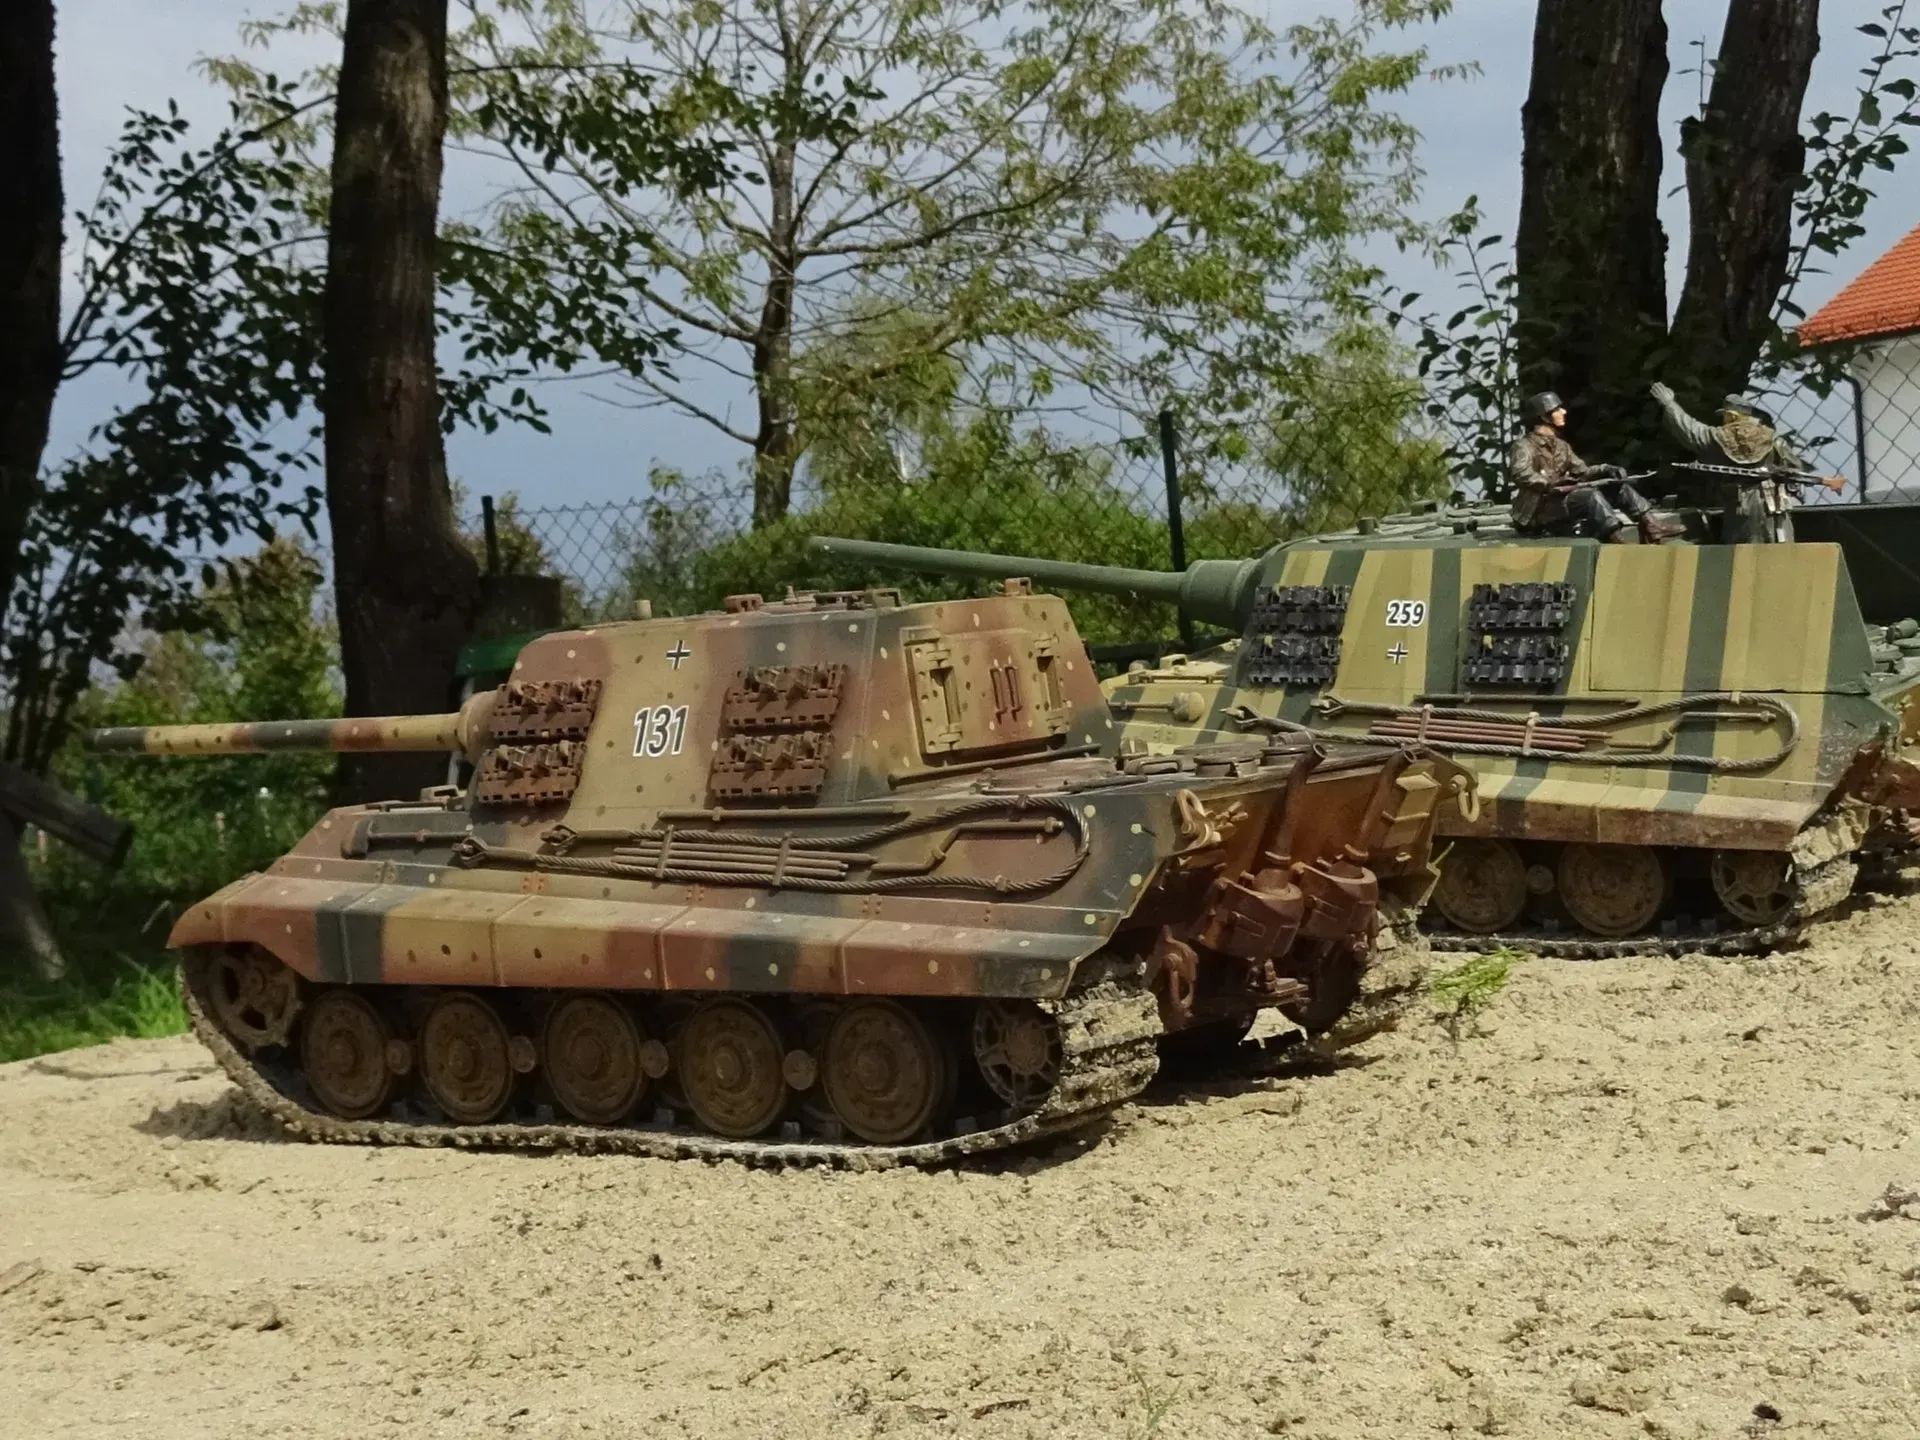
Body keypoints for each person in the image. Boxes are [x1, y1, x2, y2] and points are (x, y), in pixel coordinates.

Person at [1649, 384, 1846, 543]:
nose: (1723, 420)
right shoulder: (1773, 440)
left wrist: (1669, 404)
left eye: (1725, 415)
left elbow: (1689, 429)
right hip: (1775, 507)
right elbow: (1794, 469)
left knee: (1742, 558)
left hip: (1740, 509)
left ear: (1731, 416)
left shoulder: (1718, 438)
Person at [1508, 391, 1682, 543]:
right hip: (1540, 508)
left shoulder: (1561, 446)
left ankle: (1651, 525)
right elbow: (1521, 472)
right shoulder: (1524, 446)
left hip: (1560, 501)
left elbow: (1582, 471)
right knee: (1589, 496)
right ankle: (1614, 536)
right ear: (1545, 417)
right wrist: (1549, 484)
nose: (1564, 412)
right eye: (1557, 409)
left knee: (1618, 487)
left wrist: (1606, 469)